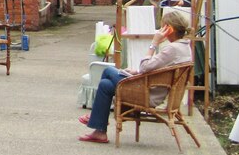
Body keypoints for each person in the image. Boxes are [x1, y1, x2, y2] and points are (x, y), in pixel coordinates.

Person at [78, 9, 192, 144]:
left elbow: (145, 66)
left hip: (147, 93)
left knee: (108, 71)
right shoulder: (185, 48)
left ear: (169, 29)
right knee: (105, 85)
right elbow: (156, 70)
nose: (160, 30)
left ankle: (95, 118)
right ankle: (99, 132)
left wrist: (153, 44)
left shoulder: (172, 49)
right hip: (150, 88)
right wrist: (136, 71)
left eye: (162, 27)